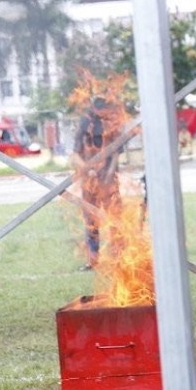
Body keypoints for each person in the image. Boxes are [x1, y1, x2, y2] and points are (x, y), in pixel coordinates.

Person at [70, 97, 122, 270]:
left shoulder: (111, 126)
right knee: (91, 221)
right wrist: (87, 169)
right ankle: (93, 260)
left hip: (109, 181)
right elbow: (75, 155)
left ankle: (118, 256)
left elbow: (115, 154)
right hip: (89, 183)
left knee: (115, 218)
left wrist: (108, 174)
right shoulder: (84, 126)